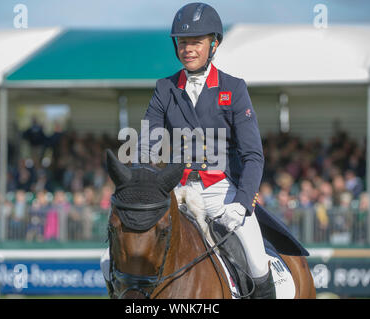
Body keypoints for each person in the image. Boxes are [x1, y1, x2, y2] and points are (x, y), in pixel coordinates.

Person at [107, 3, 274, 298]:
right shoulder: (165, 88)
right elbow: (146, 144)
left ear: (214, 44)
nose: (188, 49)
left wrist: (242, 203)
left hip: (222, 192)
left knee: (258, 264)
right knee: (107, 261)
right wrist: (140, 189)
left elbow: (252, 156)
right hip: (177, 191)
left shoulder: (233, 89)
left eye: (196, 42)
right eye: (183, 42)